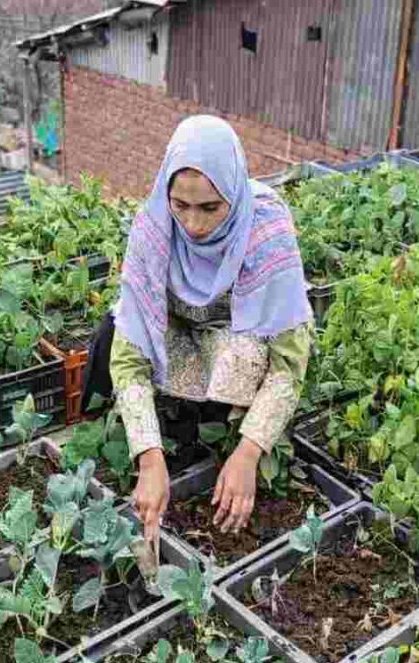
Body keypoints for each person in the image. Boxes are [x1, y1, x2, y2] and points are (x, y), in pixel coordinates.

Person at [99, 115, 314, 550]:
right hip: (178, 332)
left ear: (233, 193)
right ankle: (175, 425)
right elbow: (129, 354)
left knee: (243, 360)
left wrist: (249, 455)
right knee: (113, 331)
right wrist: (148, 456)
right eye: (181, 205)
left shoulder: (265, 230)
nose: (194, 225)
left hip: (234, 343)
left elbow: (288, 362)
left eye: (211, 208)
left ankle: (216, 428)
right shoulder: (154, 228)